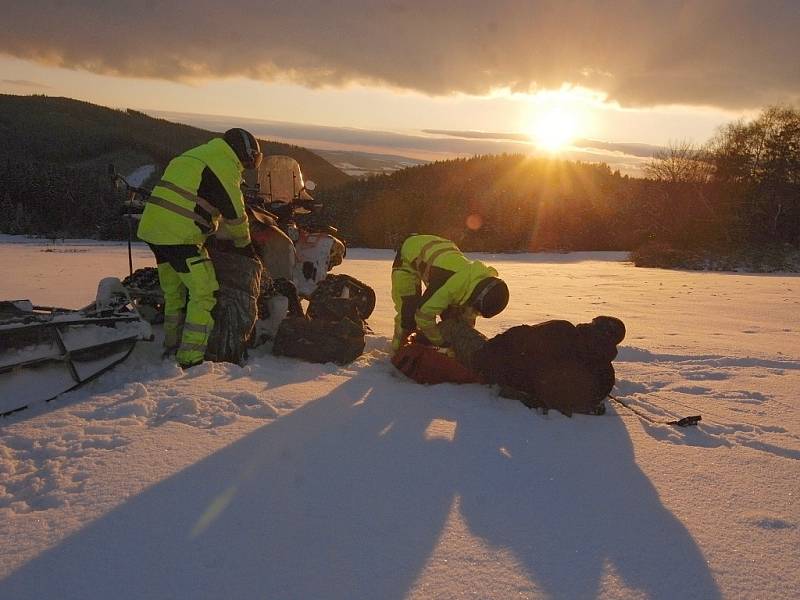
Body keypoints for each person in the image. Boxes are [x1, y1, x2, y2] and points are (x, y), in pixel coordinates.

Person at [137, 128, 262, 368]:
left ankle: (171, 344)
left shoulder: (196, 155)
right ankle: (190, 359)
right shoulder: (223, 163)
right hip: (180, 236)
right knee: (205, 293)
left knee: (175, 293)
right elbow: (236, 214)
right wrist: (245, 245)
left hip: (153, 230)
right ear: (246, 153)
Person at [391, 234, 509, 352]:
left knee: (453, 314)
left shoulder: (477, 280)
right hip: (408, 255)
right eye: (477, 311)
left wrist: (460, 338)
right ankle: (398, 352)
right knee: (407, 312)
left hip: (439, 251)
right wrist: (440, 342)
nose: (475, 314)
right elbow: (423, 316)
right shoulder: (447, 285)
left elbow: (465, 317)